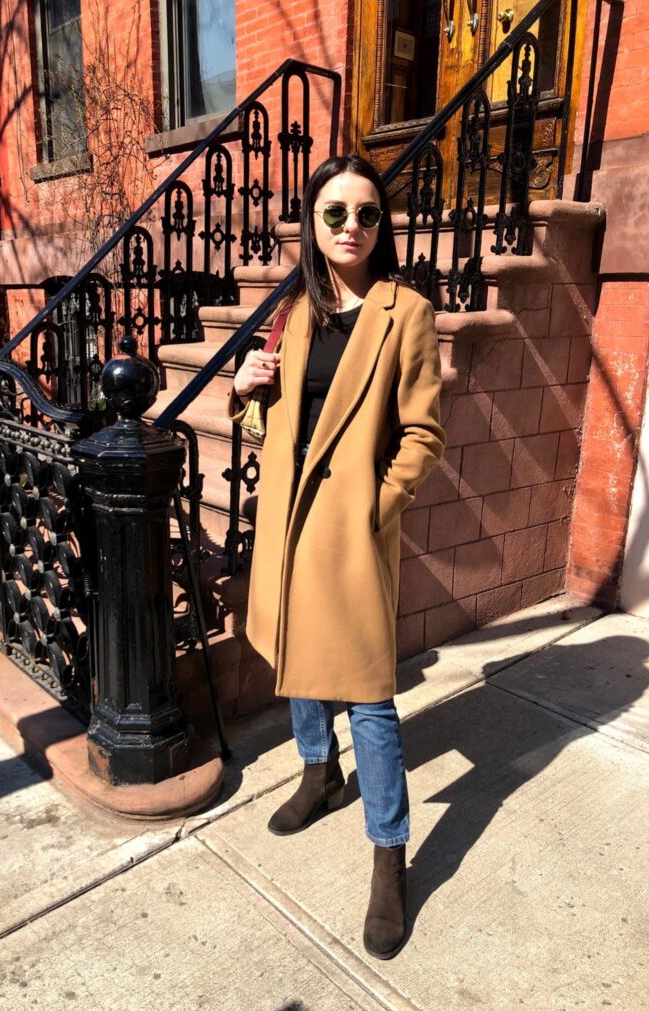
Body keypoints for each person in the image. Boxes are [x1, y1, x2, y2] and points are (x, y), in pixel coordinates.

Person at [227, 154, 446, 959]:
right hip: (288, 523)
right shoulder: (298, 310)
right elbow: (270, 424)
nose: (350, 226)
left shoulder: (406, 313)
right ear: (313, 226)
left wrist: (373, 509)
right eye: (333, 213)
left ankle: (389, 854)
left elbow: (423, 433)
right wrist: (246, 389)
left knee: (371, 696)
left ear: (381, 227)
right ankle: (318, 773)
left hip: (350, 531)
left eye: (365, 213)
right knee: (294, 653)